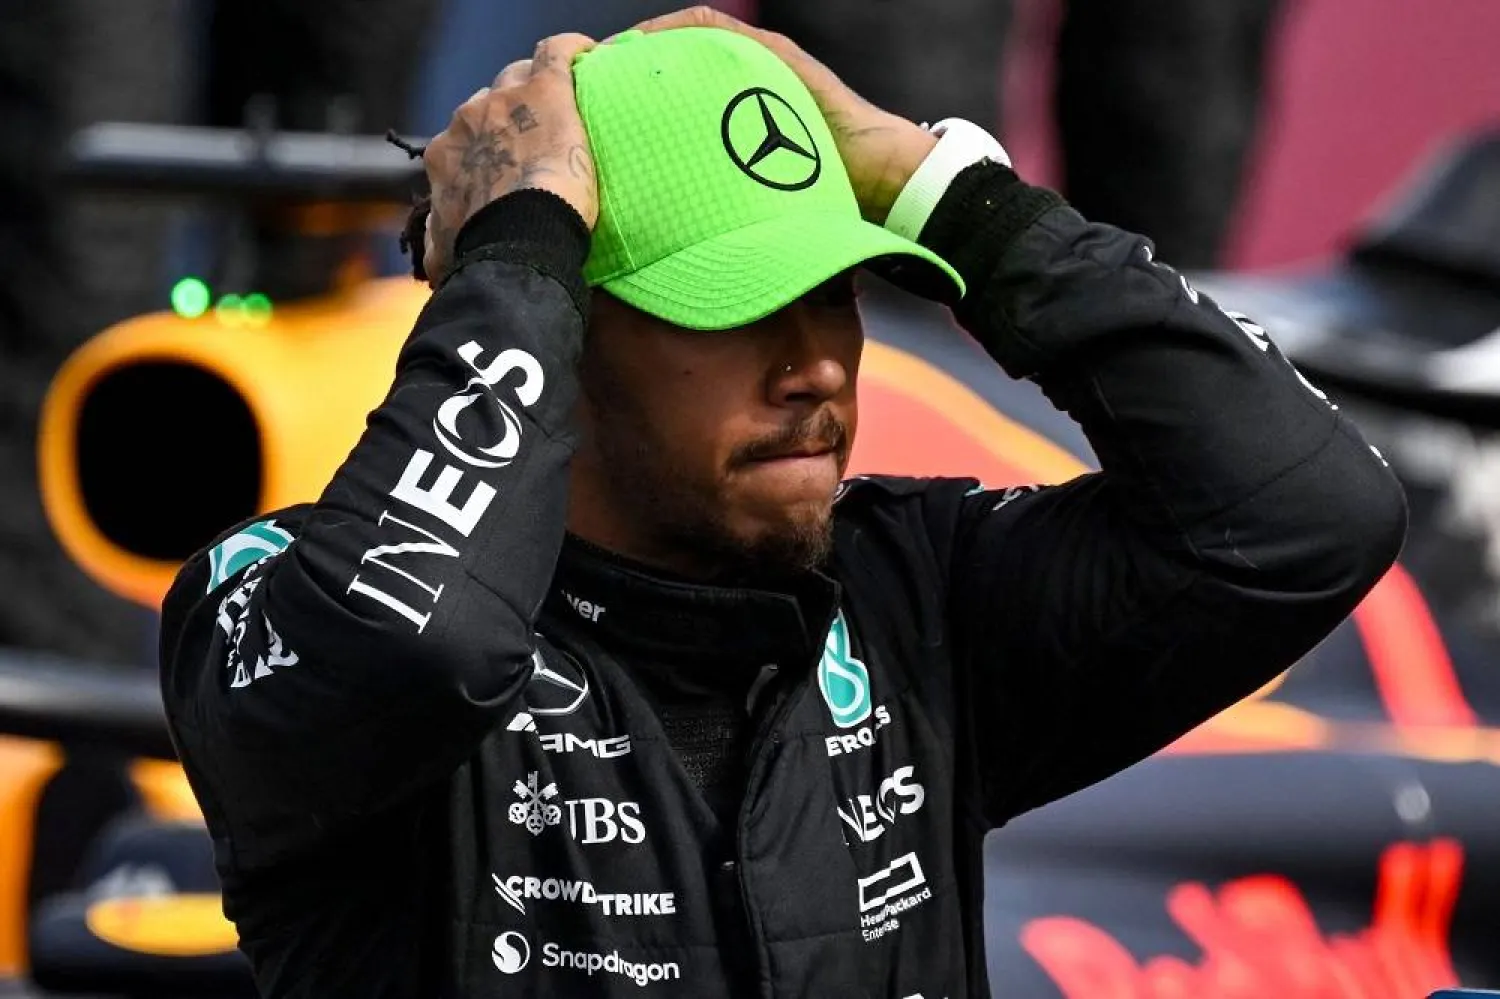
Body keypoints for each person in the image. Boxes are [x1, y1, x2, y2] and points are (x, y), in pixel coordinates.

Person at [158, 8, 1406, 998]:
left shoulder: (916, 601)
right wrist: (517, 252)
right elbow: (412, 642)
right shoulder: (288, 607)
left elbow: (1306, 516)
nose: (815, 364)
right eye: (738, 306)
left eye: (838, 295)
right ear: (566, 335)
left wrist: (942, 190)